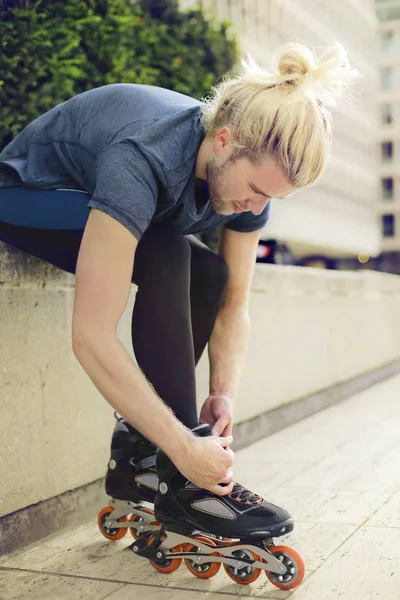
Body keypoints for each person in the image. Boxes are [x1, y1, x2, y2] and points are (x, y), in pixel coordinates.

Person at [0, 42, 358, 506]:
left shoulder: (246, 184)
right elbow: (90, 334)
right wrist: (185, 445)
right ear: (224, 140)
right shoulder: (143, 157)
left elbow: (234, 305)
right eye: (254, 190)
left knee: (210, 272)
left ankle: (142, 458)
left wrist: (222, 394)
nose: (257, 208)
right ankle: (174, 467)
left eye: (272, 199)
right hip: (27, 195)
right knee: (168, 251)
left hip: (102, 205)